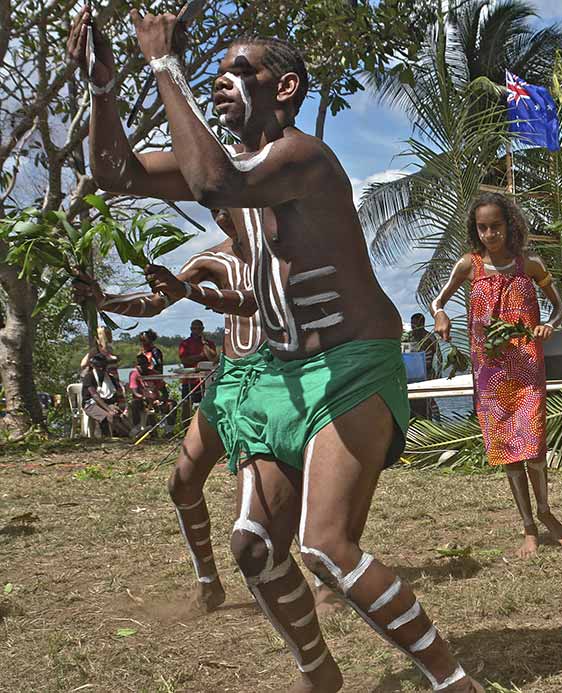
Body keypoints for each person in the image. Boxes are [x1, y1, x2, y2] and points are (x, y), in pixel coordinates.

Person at [71, 8, 480, 692]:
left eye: (239, 72)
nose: (222, 82)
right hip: (277, 376)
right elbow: (116, 171)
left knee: (325, 545)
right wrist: (102, 89)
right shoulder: (232, 168)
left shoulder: (304, 159)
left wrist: (165, 63)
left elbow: (214, 186)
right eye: (217, 73)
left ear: (284, 88)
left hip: (351, 367)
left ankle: (452, 678)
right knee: (254, 545)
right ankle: (319, 673)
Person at [74, 206, 267, 614]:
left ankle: (316, 580)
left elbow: (254, 301)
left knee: (270, 499)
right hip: (229, 379)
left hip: (279, 379)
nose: (223, 217)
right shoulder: (210, 259)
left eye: (228, 205)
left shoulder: (284, 250)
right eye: (214, 210)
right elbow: (159, 300)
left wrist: (192, 293)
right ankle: (208, 583)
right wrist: (105, 299)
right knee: (182, 484)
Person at [431, 192, 562, 559]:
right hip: (490, 372)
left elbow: (559, 307)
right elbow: (438, 300)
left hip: (527, 366)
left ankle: (545, 511)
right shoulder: (469, 265)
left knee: (534, 445)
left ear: (510, 225)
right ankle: (528, 527)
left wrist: (548, 326)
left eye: (496, 226)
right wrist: (440, 316)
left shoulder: (532, 266)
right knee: (508, 449)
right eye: (483, 228)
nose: (490, 234)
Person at [81, 352, 130, 436]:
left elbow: (115, 394)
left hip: (106, 402)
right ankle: (117, 436)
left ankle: (130, 432)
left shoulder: (110, 378)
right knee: (107, 416)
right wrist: (109, 409)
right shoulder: (89, 377)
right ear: (93, 366)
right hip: (90, 404)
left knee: (119, 413)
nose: (101, 369)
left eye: (103, 367)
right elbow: (95, 396)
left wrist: (115, 406)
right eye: (99, 367)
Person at [177, 319, 218, 419]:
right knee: (186, 404)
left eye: (199, 328)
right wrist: (200, 356)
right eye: (194, 328)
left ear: (203, 329)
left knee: (208, 404)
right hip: (190, 379)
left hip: (207, 380)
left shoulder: (209, 343)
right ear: (191, 329)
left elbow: (213, 359)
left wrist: (204, 344)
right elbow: (184, 360)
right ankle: (185, 429)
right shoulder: (185, 344)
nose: (197, 330)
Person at [127, 353, 173, 433]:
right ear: (136, 365)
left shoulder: (154, 374)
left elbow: (164, 391)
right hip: (142, 401)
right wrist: (144, 398)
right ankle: (137, 428)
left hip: (155, 400)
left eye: (144, 364)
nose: (142, 366)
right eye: (139, 364)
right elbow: (135, 392)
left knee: (171, 404)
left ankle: (169, 430)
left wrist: (161, 400)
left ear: (148, 364)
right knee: (134, 403)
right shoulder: (134, 374)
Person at [408, 313, 441, 420]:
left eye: (416, 325)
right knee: (411, 400)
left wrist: (438, 374)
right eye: (412, 325)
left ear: (423, 324)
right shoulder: (408, 337)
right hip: (411, 375)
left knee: (429, 399)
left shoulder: (430, 337)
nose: (414, 328)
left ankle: (438, 422)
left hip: (427, 373)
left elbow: (440, 357)